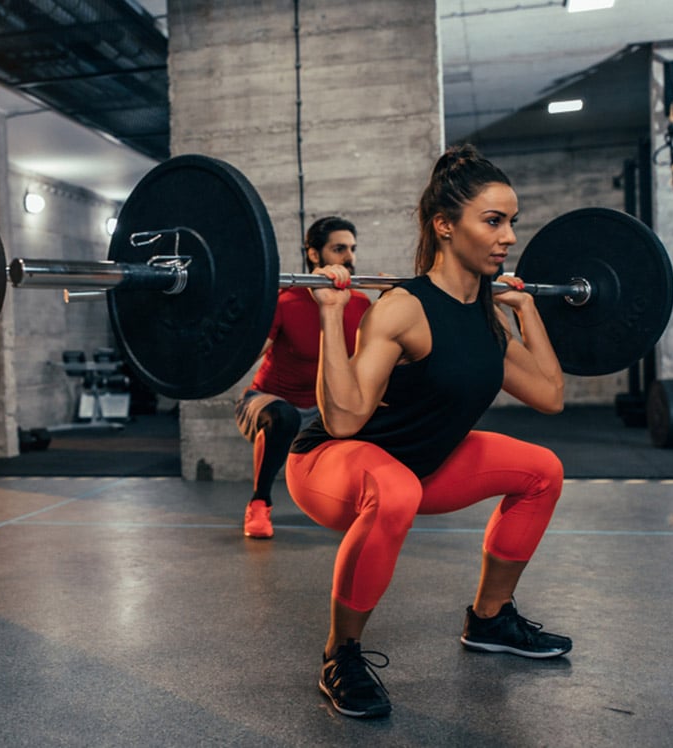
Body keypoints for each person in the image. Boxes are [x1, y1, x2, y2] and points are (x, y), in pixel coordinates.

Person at [286, 144, 571, 719]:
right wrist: (325, 313)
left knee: (543, 471)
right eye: (493, 221)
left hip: (423, 462)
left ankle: (490, 619)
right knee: (396, 491)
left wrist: (527, 310)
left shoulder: (486, 315)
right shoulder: (402, 308)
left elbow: (549, 395)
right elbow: (344, 418)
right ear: (444, 225)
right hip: (333, 462)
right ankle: (340, 654)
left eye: (511, 222)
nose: (509, 237)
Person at [234, 217, 370, 538]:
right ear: (313, 254)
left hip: (323, 411)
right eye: (339, 249)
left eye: (351, 249)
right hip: (270, 404)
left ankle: (355, 502)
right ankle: (259, 503)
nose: (349, 258)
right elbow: (241, 357)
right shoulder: (286, 301)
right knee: (283, 417)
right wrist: (254, 306)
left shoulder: (361, 304)